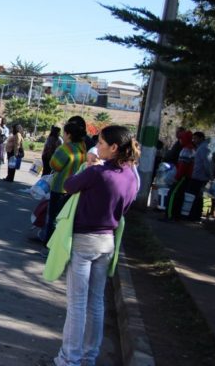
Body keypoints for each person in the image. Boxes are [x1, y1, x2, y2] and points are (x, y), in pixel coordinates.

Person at [53, 125, 139, 366]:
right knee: (96, 301)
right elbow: (127, 207)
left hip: (84, 240)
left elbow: (69, 185)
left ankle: (69, 358)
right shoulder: (131, 177)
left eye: (100, 143)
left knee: (77, 304)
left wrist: (91, 165)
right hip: (108, 241)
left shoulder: (98, 173)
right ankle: (90, 356)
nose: (97, 147)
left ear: (113, 148)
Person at [43, 120, 88, 244]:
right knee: (65, 219)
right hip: (75, 189)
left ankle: (48, 245)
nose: (63, 135)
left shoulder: (65, 148)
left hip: (60, 188)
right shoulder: (83, 147)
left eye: (64, 133)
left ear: (68, 134)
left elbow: (54, 165)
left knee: (53, 218)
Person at [166, 130, 195, 221]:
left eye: (181, 139)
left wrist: (177, 177)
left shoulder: (186, 150)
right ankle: (176, 215)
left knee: (172, 195)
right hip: (187, 176)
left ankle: (169, 215)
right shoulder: (192, 148)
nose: (180, 141)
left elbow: (183, 166)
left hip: (182, 176)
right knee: (179, 196)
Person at [188, 131, 212, 221]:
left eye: (195, 138)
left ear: (201, 138)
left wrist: (209, 175)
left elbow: (207, 163)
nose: (193, 140)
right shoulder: (200, 147)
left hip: (201, 177)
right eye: (193, 138)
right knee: (197, 197)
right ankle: (195, 215)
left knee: (199, 197)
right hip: (198, 175)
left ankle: (196, 216)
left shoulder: (203, 148)